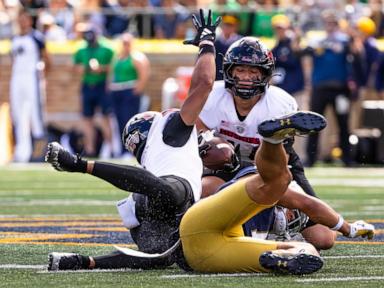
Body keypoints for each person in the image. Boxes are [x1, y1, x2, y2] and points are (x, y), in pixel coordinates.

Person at [46, 9, 221, 271]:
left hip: (154, 203)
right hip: (173, 194)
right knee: (169, 195)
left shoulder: (155, 153)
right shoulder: (168, 127)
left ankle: (87, 262)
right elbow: (205, 83)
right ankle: (81, 164)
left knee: (161, 256)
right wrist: (207, 43)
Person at [196, 36, 336, 250]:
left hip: (272, 168)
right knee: (203, 190)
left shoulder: (279, 103)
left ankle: (283, 220)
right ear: (229, 71)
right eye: (241, 70)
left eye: (253, 72)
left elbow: (280, 163)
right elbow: (196, 135)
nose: (245, 78)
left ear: (265, 75)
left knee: (324, 239)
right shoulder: (213, 96)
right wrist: (212, 148)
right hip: (224, 168)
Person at [180, 111, 328, 274]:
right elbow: (305, 202)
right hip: (216, 247)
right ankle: (272, 139)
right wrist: (348, 228)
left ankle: (283, 257)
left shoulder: (257, 190)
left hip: (196, 249)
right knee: (306, 247)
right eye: (292, 213)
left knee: (314, 243)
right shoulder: (259, 182)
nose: (290, 217)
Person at [304, 11, 359, 167]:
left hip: (339, 88)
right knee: (313, 123)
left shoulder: (345, 41)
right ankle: (311, 158)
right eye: (328, 23)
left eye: (333, 23)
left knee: (343, 124)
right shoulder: (317, 41)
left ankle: (347, 158)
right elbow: (302, 52)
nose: (330, 26)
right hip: (320, 87)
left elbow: (355, 58)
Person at [10, 9, 50, 162]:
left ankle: (40, 151)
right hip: (17, 79)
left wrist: (43, 76)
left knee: (35, 114)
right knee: (18, 114)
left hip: (31, 78)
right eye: (20, 19)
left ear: (30, 20)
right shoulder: (14, 38)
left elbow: (47, 59)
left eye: (25, 19)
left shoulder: (36, 37)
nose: (22, 22)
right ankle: (22, 151)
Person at [73, 23, 114, 158]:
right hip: (87, 85)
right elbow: (75, 67)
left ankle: (110, 148)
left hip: (101, 85)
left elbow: (113, 67)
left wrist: (100, 69)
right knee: (87, 119)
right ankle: (89, 149)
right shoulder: (81, 49)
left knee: (105, 118)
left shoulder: (107, 49)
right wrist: (87, 68)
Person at [109, 33, 150, 157]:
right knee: (119, 120)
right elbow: (112, 73)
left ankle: (132, 150)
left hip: (129, 91)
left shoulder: (136, 57)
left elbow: (144, 74)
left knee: (130, 121)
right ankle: (122, 149)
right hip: (117, 91)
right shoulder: (118, 57)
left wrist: (137, 90)